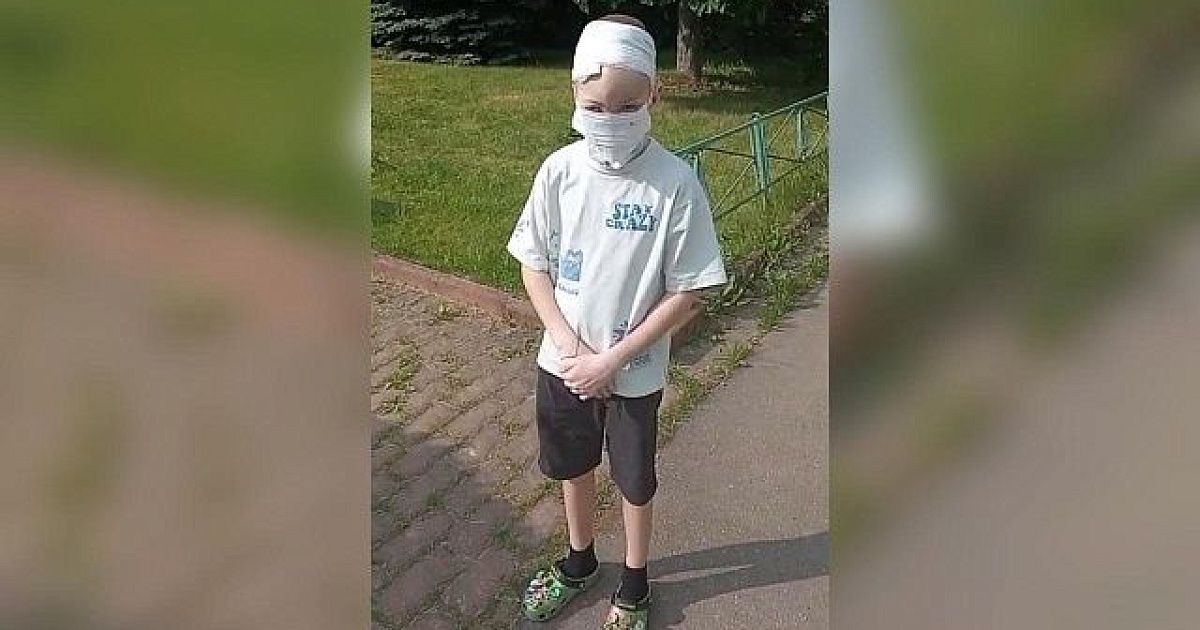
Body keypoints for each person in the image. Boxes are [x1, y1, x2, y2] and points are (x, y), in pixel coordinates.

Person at [505, 14, 727, 629]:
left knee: (633, 479)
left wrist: (614, 359)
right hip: (565, 366)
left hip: (633, 374)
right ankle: (579, 559)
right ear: (574, 93)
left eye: (628, 106)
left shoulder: (674, 184)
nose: (611, 119)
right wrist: (571, 348)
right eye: (596, 106)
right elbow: (533, 264)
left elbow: (690, 290)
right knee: (571, 466)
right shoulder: (559, 171)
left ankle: (634, 580)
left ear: (654, 94)